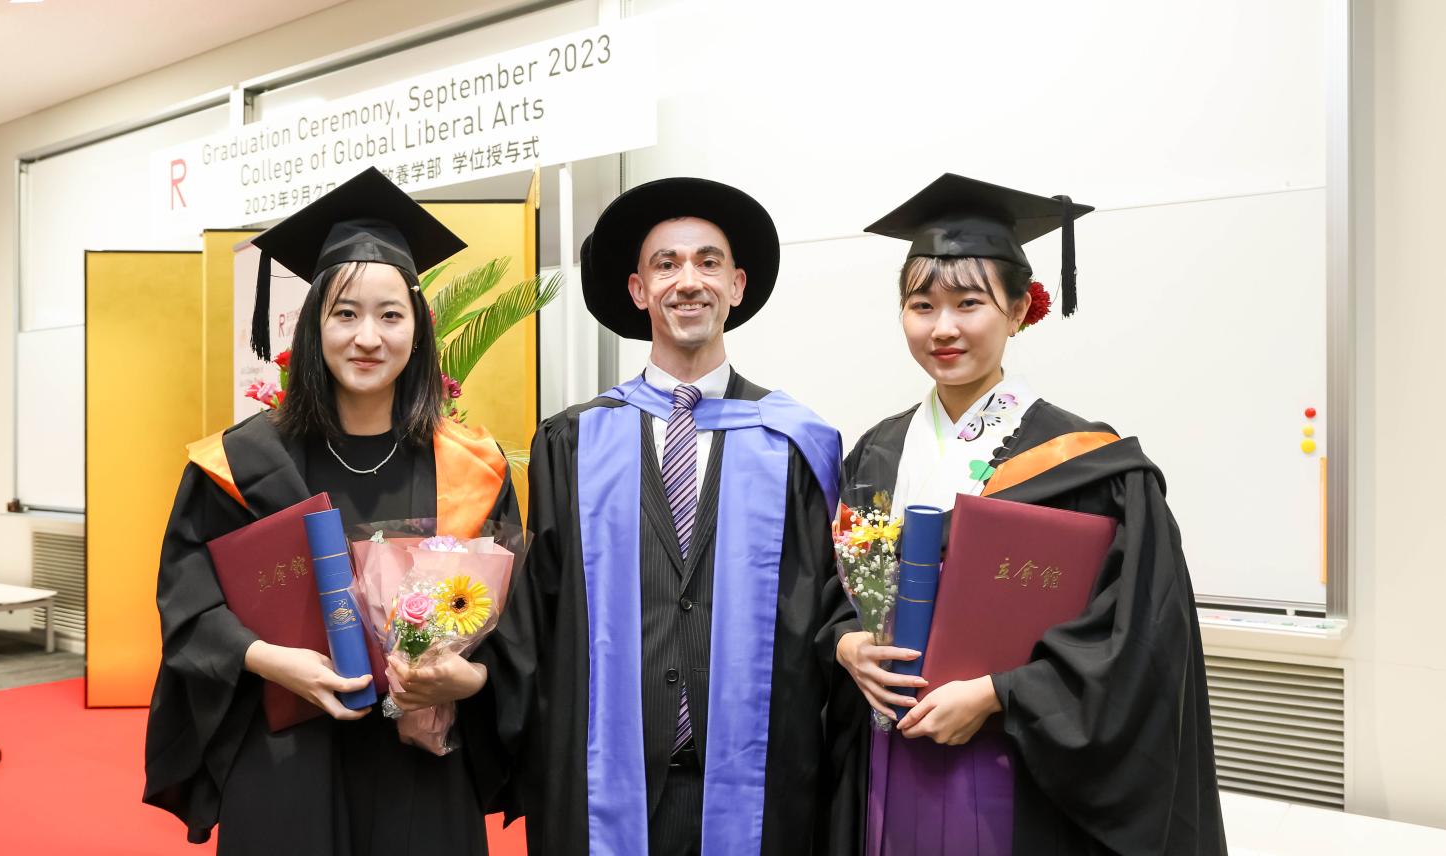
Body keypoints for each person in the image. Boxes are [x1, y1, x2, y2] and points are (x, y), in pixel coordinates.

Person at [835, 174, 1226, 854]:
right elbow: (823, 588)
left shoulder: (1089, 462)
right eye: (921, 305)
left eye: (969, 303)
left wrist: (997, 693)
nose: (944, 327)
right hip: (886, 750)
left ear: (1020, 309)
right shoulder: (877, 449)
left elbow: (1137, 640)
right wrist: (846, 645)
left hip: (1019, 772)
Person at [142, 167, 520, 855]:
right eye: (344, 314)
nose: (367, 337)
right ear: (313, 325)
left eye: (390, 314)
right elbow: (187, 604)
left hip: (421, 764)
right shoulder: (240, 463)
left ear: (418, 328)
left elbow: (519, 632)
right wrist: (268, 660)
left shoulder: (470, 466)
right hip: (286, 755)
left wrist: (462, 680)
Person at [486, 177, 856, 855]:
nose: (690, 281)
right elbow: (534, 617)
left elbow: (829, 616)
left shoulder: (797, 444)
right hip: (605, 787)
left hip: (761, 788)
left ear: (737, 286)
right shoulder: (572, 443)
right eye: (667, 264)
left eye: (708, 262)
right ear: (638, 291)